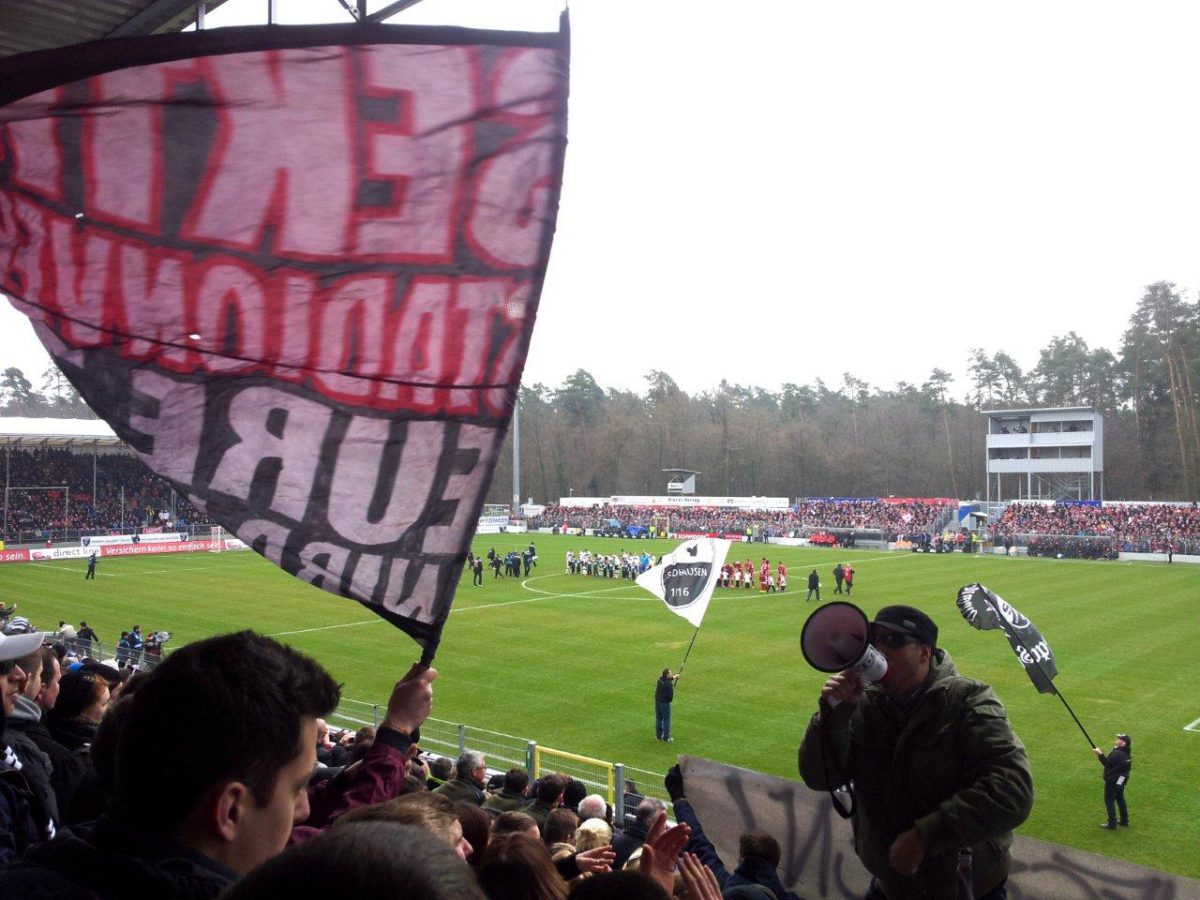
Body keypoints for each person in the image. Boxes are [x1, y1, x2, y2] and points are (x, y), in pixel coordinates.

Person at [0, 631, 436, 899]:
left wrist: (338, 783)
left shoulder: (48, 865)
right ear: (229, 810)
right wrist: (395, 735)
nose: (304, 808)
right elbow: (335, 843)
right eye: (298, 789)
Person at [798, 605, 1032, 900]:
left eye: (893, 641)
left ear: (924, 652)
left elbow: (1014, 790)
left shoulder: (968, 700)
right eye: (875, 641)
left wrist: (926, 834)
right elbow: (819, 777)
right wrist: (833, 715)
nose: (880, 649)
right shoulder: (865, 705)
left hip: (964, 889)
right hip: (890, 885)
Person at [1094, 733, 1131, 829]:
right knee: (1120, 798)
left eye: (1119, 738)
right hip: (1121, 779)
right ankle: (1124, 820)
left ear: (1123, 743)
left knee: (1109, 800)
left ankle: (1112, 823)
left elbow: (1107, 764)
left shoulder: (1118, 753)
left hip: (1113, 780)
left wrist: (1100, 754)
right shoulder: (1125, 752)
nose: (1117, 739)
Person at [655, 668, 679, 742]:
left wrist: (674, 677)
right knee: (666, 720)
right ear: (667, 675)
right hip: (664, 704)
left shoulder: (660, 679)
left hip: (657, 702)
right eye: (670, 673)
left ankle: (659, 736)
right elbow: (670, 697)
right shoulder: (669, 685)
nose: (671, 674)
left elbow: (667, 680)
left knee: (659, 719)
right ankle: (666, 737)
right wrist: (672, 691)